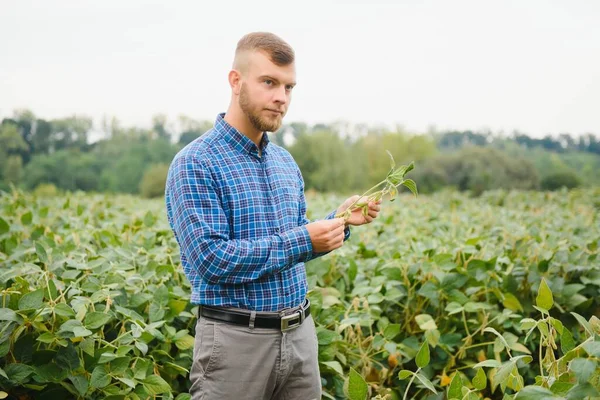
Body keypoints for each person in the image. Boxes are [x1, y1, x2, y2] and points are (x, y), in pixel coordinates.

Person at [165, 31, 381, 400]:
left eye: (289, 87)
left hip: (299, 338)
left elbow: (293, 245)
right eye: (269, 82)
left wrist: (339, 221)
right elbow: (211, 261)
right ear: (236, 81)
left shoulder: (284, 161)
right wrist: (304, 238)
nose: (281, 97)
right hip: (235, 344)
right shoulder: (196, 163)